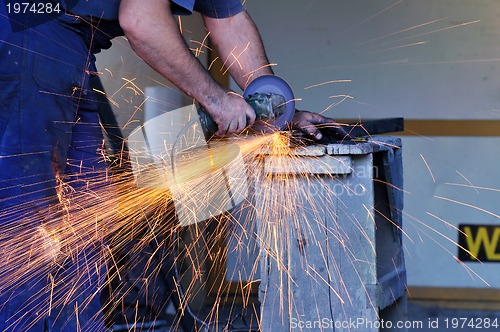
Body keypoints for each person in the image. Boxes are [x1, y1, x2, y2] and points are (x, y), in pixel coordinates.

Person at [0, 0, 339, 331]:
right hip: (25, 31)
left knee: (87, 217)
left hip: (71, 48)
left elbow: (229, 20)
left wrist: (276, 111)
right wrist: (216, 98)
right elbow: (142, 20)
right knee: (25, 220)